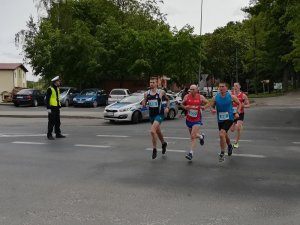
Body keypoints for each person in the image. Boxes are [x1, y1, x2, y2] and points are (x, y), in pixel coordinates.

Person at [210, 82, 241, 162]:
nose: (221, 88)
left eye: (223, 86)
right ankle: (229, 145)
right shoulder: (216, 97)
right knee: (224, 135)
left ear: (226, 88)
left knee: (221, 134)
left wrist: (237, 112)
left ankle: (222, 153)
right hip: (220, 119)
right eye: (220, 87)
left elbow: (239, 104)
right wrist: (212, 109)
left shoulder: (231, 96)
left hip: (229, 118)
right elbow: (212, 105)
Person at [181, 84, 210, 161]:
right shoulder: (186, 97)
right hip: (189, 119)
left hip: (197, 119)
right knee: (192, 135)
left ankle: (191, 153)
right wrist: (185, 107)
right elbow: (181, 104)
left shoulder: (200, 97)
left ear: (197, 90)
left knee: (193, 136)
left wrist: (204, 107)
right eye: (190, 89)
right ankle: (201, 137)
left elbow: (208, 103)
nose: (191, 91)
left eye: (193, 89)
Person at [143, 77, 169, 159]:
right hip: (152, 115)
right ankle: (164, 143)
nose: (151, 84)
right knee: (158, 132)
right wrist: (143, 102)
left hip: (159, 114)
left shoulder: (161, 92)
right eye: (150, 82)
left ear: (157, 83)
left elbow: (168, 100)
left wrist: (167, 107)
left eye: (153, 82)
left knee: (152, 131)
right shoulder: (146, 93)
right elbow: (144, 103)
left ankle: (154, 149)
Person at [230, 82, 250, 148]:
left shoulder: (243, 95)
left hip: (240, 113)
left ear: (239, 87)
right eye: (234, 86)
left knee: (237, 128)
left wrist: (243, 105)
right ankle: (239, 125)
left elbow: (248, 105)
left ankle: (236, 143)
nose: (235, 87)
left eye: (236, 86)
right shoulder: (231, 95)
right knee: (232, 130)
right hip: (233, 114)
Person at [45, 76, 66, 140]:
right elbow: (47, 99)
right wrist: (48, 108)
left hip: (56, 107)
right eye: (58, 81)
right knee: (51, 122)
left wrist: (59, 106)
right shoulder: (50, 89)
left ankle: (58, 134)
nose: (59, 82)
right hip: (52, 108)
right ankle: (49, 135)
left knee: (58, 122)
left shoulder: (57, 88)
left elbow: (57, 98)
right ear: (55, 82)